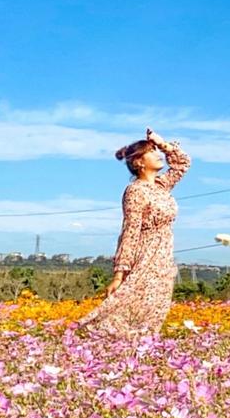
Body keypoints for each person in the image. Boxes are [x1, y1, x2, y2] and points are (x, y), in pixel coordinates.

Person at [80, 128, 190, 338]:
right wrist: (119, 274)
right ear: (139, 162)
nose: (158, 154)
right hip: (146, 256)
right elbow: (130, 231)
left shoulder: (161, 186)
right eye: (151, 151)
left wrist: (161, 143)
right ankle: (96, 341)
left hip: (164, 259)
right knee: (130, 308)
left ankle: (142, 349)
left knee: (155, 310)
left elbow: (182, 163)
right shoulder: (135, 191)